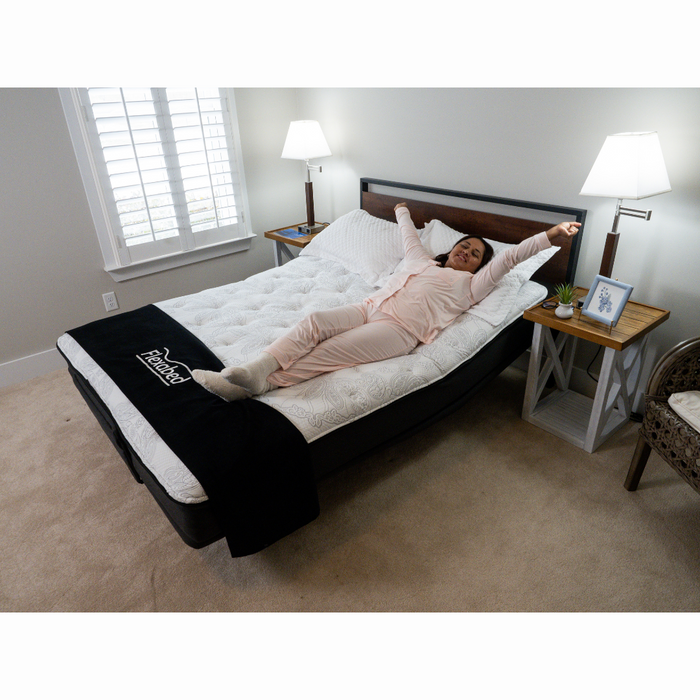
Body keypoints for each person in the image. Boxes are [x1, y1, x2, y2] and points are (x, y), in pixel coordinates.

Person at [193, 203, 580, 401]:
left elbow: (512, 258)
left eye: (476, 253)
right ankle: (254, 369)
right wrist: (401, 210)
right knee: (314, 321)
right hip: (369, 306)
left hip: (398, 330)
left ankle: (256, 387)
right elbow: (409, 236)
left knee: (331, 350)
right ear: (451, 249)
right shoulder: (421, 260)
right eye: (464, 246)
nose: (466, 252)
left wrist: (551, 234)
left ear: (481, 265)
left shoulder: (472, 287)